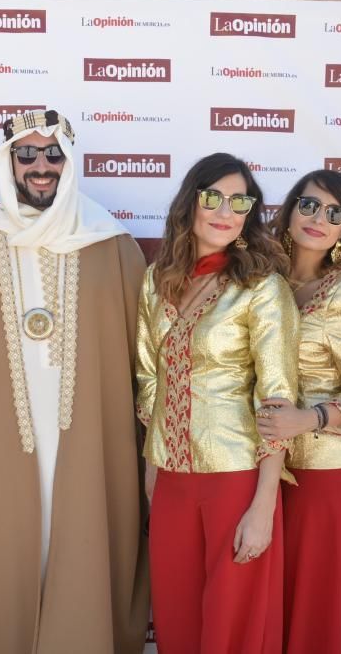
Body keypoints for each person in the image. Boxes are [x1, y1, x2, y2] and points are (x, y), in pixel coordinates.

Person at [0, 110, 149, 653]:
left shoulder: (114, 246)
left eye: (52, 154)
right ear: (6, 162)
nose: (40, 167)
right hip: (2, 446)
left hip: (92, 444)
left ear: (70, 161)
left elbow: (145, 361)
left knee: (85, 544)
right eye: (25, 155)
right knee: (0, 550)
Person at [136, 152, 298, 653]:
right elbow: (149, 380)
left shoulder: (261, 288)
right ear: (190, 203)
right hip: (169, 481)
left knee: (233, 627)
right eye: (213, 197)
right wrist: (152, 473)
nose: (225, 211)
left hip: (237, 479)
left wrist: (264, 506)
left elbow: (277, 401)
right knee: (178, 622)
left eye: (239, 201)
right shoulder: (156, 281)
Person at [258, 170, 341, 653]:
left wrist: (309, 419)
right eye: (309, 205)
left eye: (335, 214)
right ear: (289, 211)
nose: (319, 219)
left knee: (316, 611)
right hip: (257, 463)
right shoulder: (259, 281)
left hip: (325, 475)